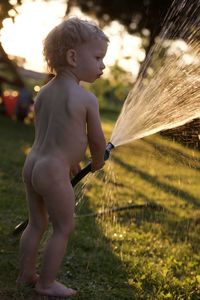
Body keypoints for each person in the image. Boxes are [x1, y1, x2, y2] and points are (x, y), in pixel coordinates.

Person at [16, 17, 109, 297]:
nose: (102, 65)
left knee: (36, 223)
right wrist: (97, 160)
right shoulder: (85, 99)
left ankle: (26, 275)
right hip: (54, 171)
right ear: (72, 57)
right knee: (63, 227)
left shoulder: (44, 92)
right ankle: (46, 284)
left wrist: (70, 160)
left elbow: (53, 132)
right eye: (98, 57)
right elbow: (96, 139)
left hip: (34, 164)